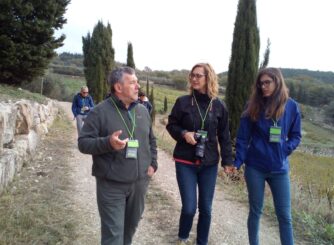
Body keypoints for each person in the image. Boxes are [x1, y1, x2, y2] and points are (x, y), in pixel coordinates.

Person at [78, 66, 158, 245]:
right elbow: (83, 143)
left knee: (129, 232)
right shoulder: (99, 111)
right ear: (118, 87)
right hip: (111, 185)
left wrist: (153, 164)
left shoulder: (143, 111)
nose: (138, 86)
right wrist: (108, 143)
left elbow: (152, 140)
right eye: (132, 83)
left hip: (139, 184)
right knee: (113, 236)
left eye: (137, 82)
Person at [166, 63, 234, 245]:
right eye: (192, 75)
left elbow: (224, 135)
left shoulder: (219, 106)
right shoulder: (182, 102)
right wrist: (183, 133)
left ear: (208, 78)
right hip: (185, 161)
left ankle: (202, 241)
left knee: (206, 208)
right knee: (189, 208)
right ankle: (183, 237)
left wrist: (228, 161)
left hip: (209, 163)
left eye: (199, 76)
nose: (194, 79)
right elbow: (171, 125)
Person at [233, 67, 301, 245]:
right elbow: (242, 137)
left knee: (284, 216)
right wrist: (238, 161)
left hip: (279, 169)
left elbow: (296, 136)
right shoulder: (253, 105)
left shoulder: (291, 106)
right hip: (255, 167)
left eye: (267, 82)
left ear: (277, 82)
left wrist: (285, 149)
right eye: (261, 83)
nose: (263, 86)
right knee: (256, 211)